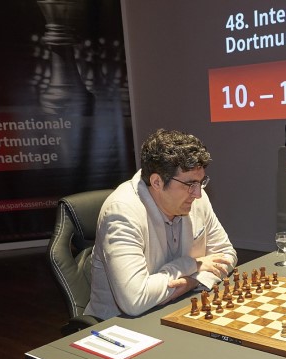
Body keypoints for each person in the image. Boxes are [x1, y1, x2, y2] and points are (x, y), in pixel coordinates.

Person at [85, 128, 237, 320]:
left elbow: (226, 254)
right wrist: (192, 264)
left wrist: (192, 282)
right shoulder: (121, 212)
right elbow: (134, 301)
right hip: (120, 324)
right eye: (190, 184)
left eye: (201, 182)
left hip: (179, 308)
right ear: (157, 182)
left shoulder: (195, 199)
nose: (198, 193)